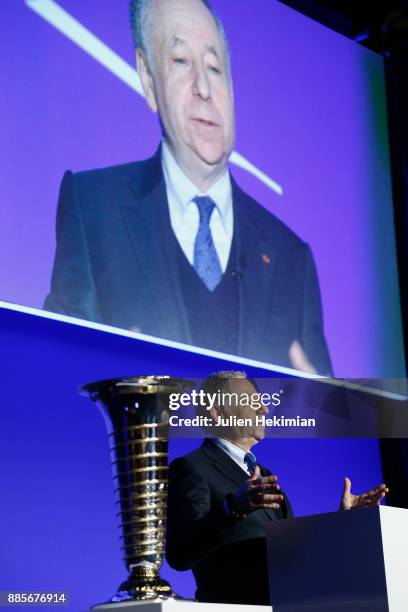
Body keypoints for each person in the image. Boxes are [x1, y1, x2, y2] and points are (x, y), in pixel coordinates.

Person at [44, 0, 332, 375]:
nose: (203, 88)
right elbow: (52, 379)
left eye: (214, 68)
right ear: (148, 80)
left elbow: (331, 423)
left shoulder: (293, 259)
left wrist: (318, 416)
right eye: (181, 62)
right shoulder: (93, 210)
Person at [165, 371, 389, 605]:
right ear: (218, 414)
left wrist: (341, 523)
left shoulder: (265, 474)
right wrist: (232, 509)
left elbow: (292, 551)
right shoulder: (192, 468)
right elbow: (180, 554)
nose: (264, 409)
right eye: (251, 401)